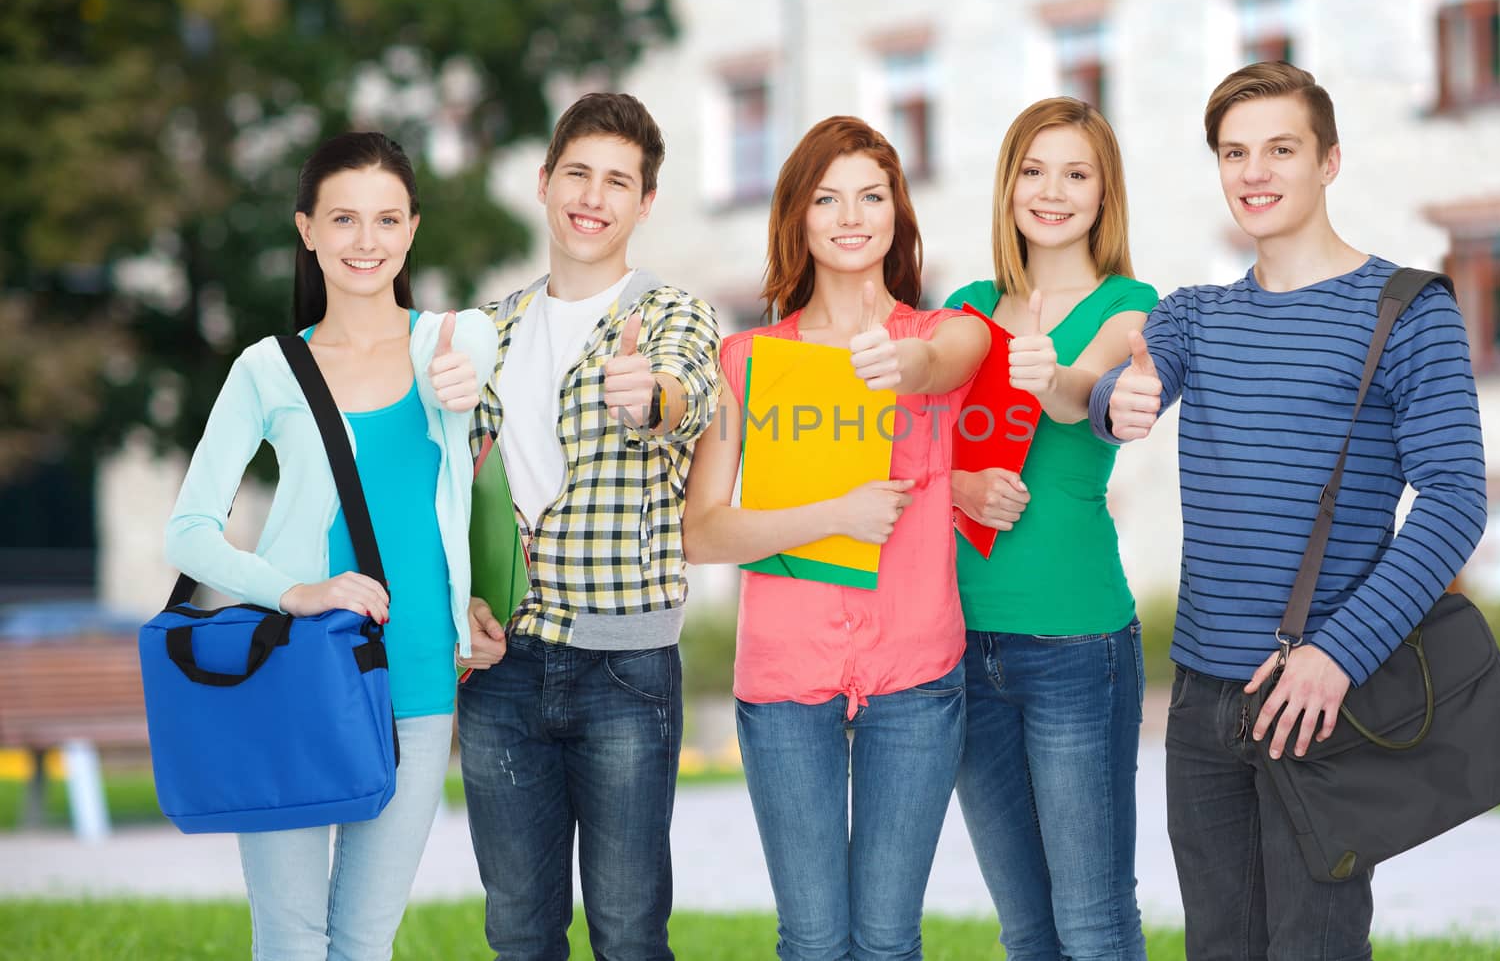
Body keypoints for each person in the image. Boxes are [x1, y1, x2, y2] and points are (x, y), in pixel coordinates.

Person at [1090, 62, 1488, 960]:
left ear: (1329, 161)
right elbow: (1124, 385)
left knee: (1314, 946)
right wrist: (1117, 399)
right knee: (1217, 948)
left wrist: (1337, 657)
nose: (1254, 173)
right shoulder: (1198, 317)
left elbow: (1456, 501)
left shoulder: (1407, 311)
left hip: (1323, 699)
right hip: (1200, 701)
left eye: (1280, 148)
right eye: (1235, 153)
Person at [165, 130, 504, 960]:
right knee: (290, 939)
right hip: (295, 670)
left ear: (413, 230)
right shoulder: (266, 370)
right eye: (344, 219)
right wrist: (297, 591)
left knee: (363, 941)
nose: (367, 242)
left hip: (420, 674)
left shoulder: (453, 344)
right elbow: (189, 531)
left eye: (387, 220)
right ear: (307, 230)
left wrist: (464, 384)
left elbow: (479, 361)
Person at [682, 116, 989, 961]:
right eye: (827, 198)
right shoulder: (745, 360)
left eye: (872, 195)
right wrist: (835, 516)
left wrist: (904, 364)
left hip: (917, 671)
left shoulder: (942, 338)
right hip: (785, 676)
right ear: (798, 217)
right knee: (813, 940)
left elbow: (955, 357)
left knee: (888, 939)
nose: (851, 216)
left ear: (898, 212)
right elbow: (703, 533)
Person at [456, 92, 722, 961]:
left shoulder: (671, 312)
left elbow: (687, 396)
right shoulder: (485, 332)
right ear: (543, 182)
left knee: (630, 933)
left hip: (625, 669)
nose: (593, 196)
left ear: (645, 204)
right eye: (578, 173)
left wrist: (650, 396)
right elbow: (453, 493)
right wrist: (462, 604)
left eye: (619, 182)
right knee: (520, 932)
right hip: (503, 669)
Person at [944, 97, 1156, 960]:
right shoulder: (963, 306)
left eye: (1077, 173)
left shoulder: (1133, 306)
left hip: (1077, 643)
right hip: (961, 641)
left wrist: (1051, 375)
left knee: (1094, 923)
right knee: (1027, 930)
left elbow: (1089, 399)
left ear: (1105, 196)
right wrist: (960, 483)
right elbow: (912, 458)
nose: (1052, 191)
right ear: (1008, 186)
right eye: (1034, 170)